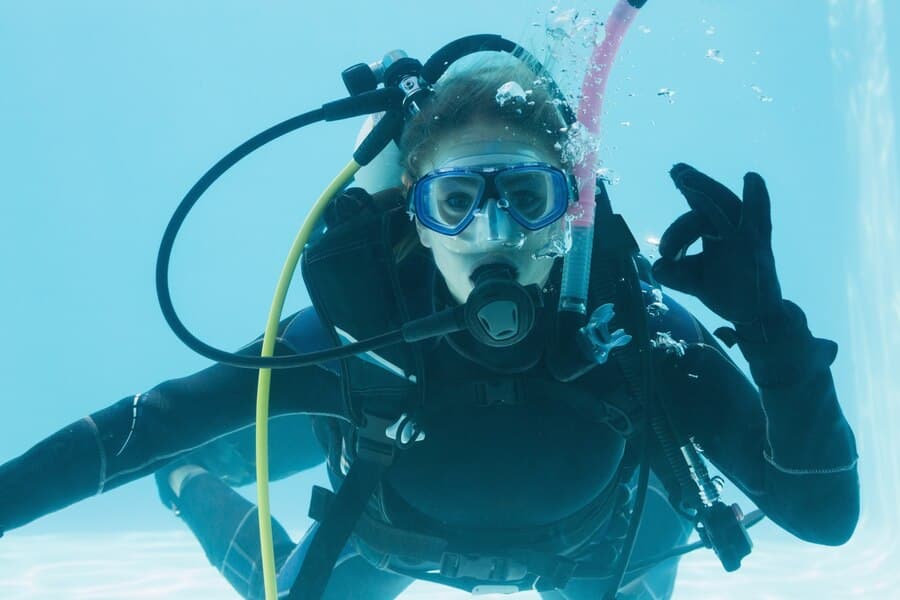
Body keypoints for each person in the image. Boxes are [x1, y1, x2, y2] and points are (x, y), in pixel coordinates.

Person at [0, 55, 859, 600]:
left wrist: (770, 329)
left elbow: (824, 515)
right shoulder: (362, 333)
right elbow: (135, 433)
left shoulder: (632, 325)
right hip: (394, 535)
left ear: (571, 215)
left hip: (605, 555)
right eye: (456, 203)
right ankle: (195, 486)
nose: (494, 233)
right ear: (414, 221)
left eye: (527, 198)